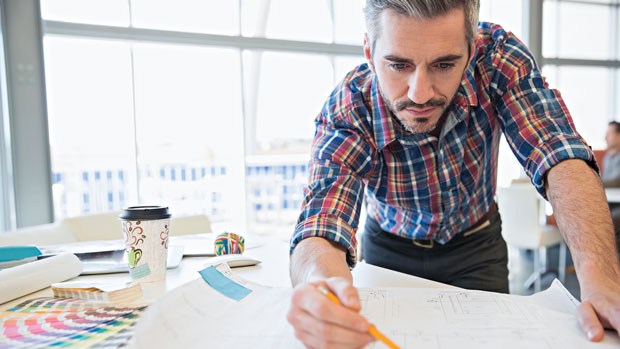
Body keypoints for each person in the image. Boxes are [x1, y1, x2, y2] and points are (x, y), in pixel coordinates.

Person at [286, 0, 620, 348]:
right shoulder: (350, 107)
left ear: (471, 49)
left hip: (477, 244)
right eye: (398, 65)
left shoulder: (497, 59)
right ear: (370, 51)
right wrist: (319, 288)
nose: (420, 93)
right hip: (389, 248)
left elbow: (559, 154)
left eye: (444, 64)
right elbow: (322, 221)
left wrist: (601, 279)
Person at [602, 121, 620, 252]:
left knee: (610, 219)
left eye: (609, 134)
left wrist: (595, 181)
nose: (605, 138)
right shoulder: (607, 158)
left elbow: (616, 181)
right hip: (609, 202)